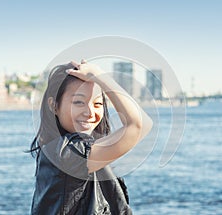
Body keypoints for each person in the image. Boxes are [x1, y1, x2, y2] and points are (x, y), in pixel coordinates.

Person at [30, 60, 153, 215]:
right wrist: (100, 76)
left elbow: (142, 125)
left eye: (97, 104)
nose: (90, 112)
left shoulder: (62, 151)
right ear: (54, 105)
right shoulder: (67, 153)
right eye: (79, 102)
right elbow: (139, 124)